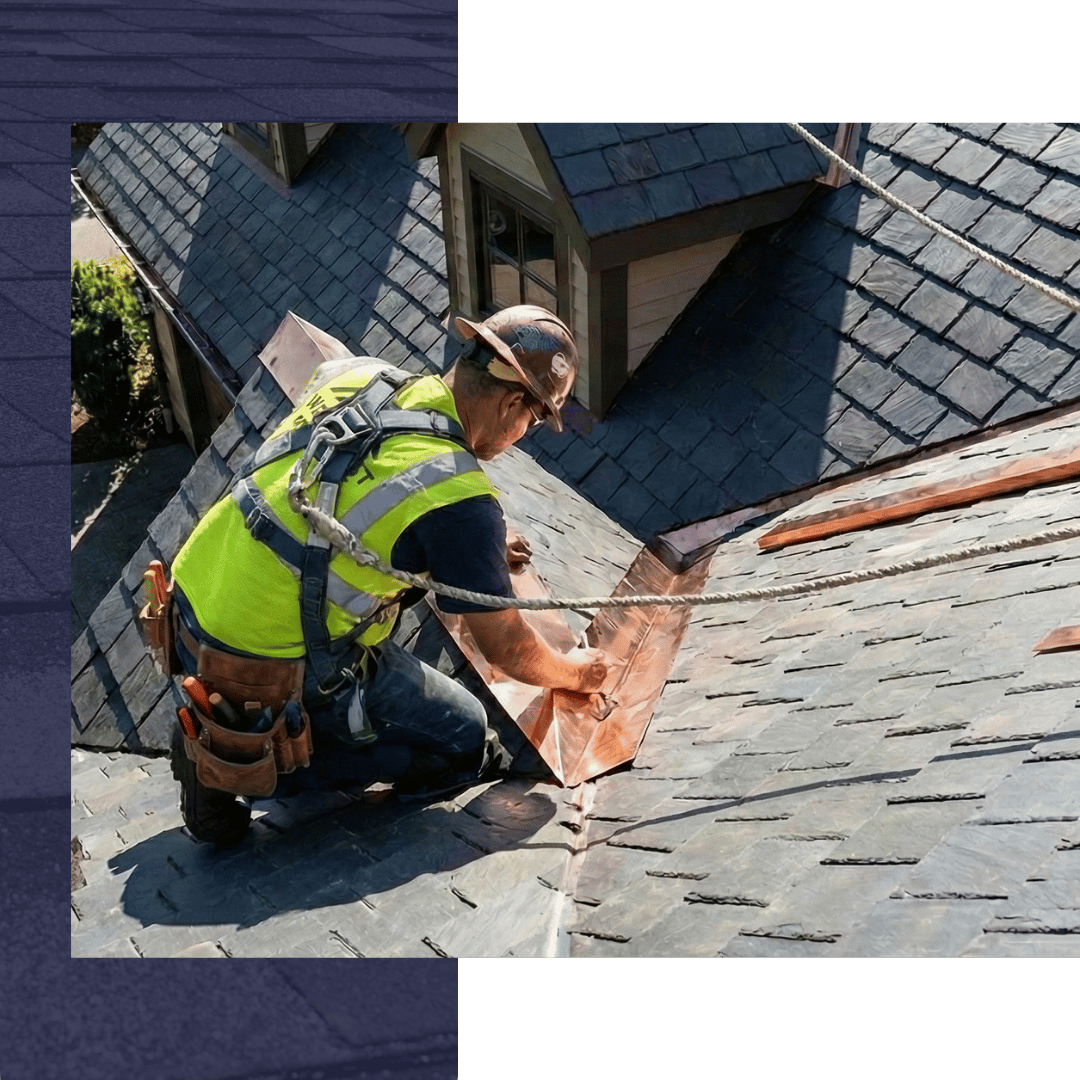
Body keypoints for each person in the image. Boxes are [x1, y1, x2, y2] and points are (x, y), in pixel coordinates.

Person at [167, 305, 610, 843]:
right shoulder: (458, 500)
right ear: (515, 402)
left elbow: (348, 480)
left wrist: (479, 550)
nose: (524, 434)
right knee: (465, 740)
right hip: (267, 668)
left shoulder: (362, 375)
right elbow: (506, 648)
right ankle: (237, 760)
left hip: (189, 606)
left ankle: (222, 730)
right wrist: (574, 672)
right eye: (534, 421)